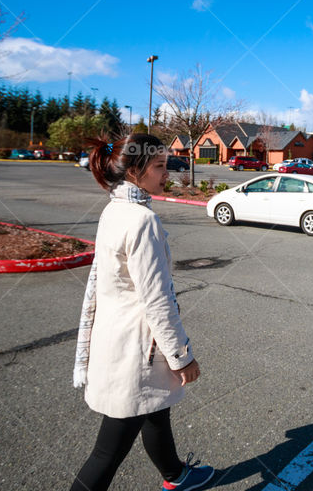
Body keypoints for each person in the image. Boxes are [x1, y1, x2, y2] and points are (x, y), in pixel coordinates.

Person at [70, 134, 214, 491]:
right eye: (160, 166)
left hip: (119, 339)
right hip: (136, 352)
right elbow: (157, 299)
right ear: (134, 171)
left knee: (155, 413)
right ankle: (176, 476)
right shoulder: (141, 220)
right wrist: (181, 358)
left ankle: (176, 476)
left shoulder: (113, 209)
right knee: (107, 452)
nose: (169, 173)